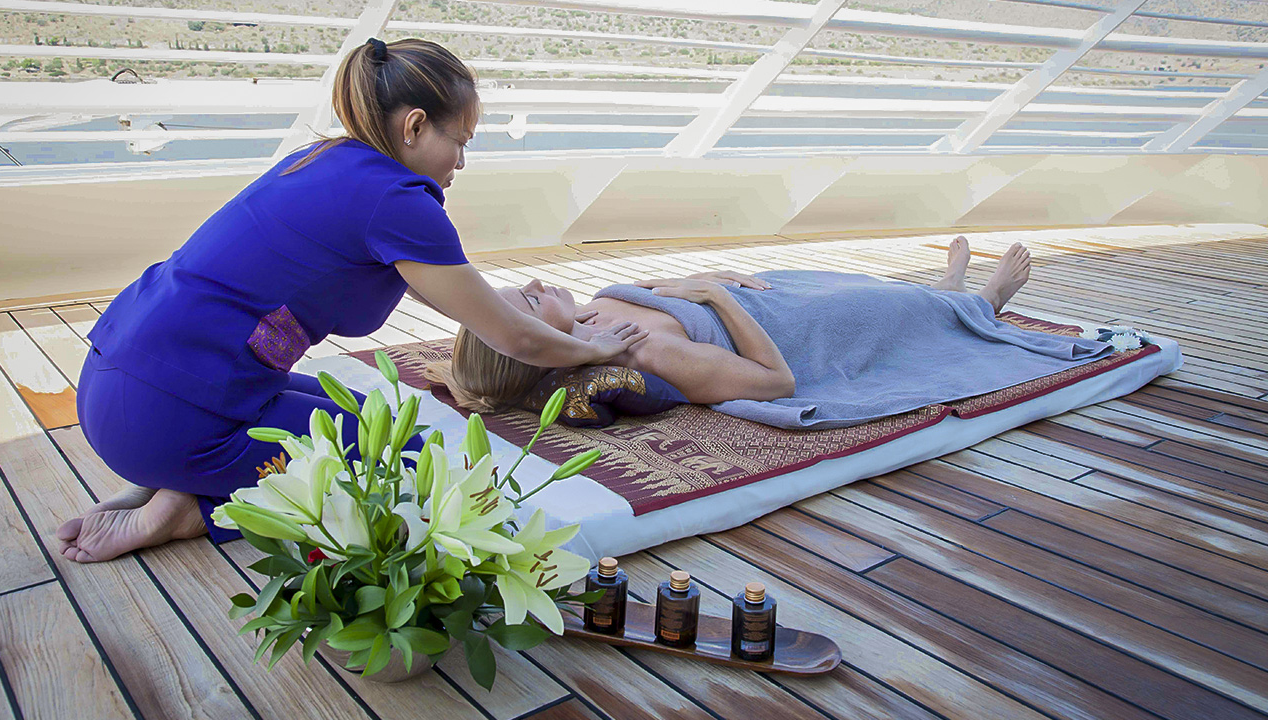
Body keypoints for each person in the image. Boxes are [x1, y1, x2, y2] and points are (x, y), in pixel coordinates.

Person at [57, 38, 646, 563]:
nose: (461, 162)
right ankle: (192, 508)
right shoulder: (399, 201)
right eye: (459, 142)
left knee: (372, 419)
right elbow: (511, 337)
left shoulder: (321, 160)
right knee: (407, 466)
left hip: (115, 381)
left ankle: (168, 477)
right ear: (414, 127)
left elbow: (471, 301)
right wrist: (587, 348)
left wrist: (557, 330)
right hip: (168, 418)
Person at [430, 237, 1053, 418]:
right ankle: (985, 300)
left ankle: (942, 291)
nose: (540, 286)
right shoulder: (651, 356)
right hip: (790, 329)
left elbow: (661, 294)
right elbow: (774, 382)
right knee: (870, 308)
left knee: (848, 282)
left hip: (758, 294)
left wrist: (707, 276)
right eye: (532, 304)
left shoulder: (592, 315)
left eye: (526, 288)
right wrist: (715, 296)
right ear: (537, 350)